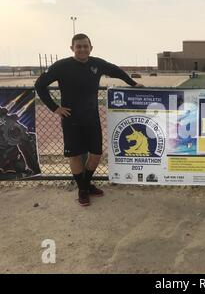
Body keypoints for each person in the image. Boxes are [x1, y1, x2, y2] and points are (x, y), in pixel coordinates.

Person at [35, 33, 144, 206]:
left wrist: (132, 83)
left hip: (91, 117)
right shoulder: (61, 66)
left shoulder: (96, 63)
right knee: (75, 156)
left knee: (96, 154)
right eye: (78, 46)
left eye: (85, 46)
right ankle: (83, 190)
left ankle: (85, 185)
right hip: (71, 119)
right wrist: (55, 108)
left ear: (91, 48)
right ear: (72, 48)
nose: (82, 49)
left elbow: (115, 70)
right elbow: (39, 85)